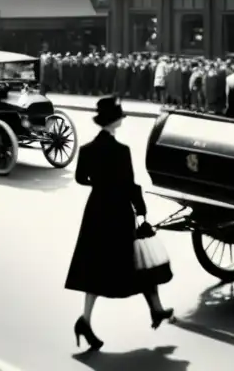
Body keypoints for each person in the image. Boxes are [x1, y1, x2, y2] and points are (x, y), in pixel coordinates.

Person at [65, 97, 173, 351]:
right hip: (118, 212)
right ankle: (155, 309)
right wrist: (141, 208)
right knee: (139, 261)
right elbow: (130, 184)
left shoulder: (88, 149)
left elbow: (81, 178)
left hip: (96, 211)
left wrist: (100, 184)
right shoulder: (121, 151)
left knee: (95, 268)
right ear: (115, 122)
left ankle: (86, 319)